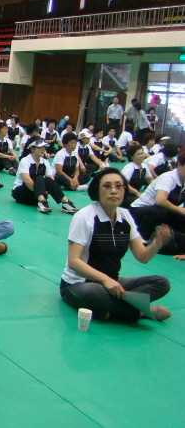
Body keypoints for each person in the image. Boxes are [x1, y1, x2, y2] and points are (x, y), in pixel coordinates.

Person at [60, 168, 172, 322]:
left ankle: (110, 309)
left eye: (119, 186)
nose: (114, 191)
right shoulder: (84, 217)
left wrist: (157, 243)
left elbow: (142, 256)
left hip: (113, 282)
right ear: (97, 191)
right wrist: (105, 280)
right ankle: (139, 312)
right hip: (79, 284)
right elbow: (74, 261)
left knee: (161, 283)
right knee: (95, 292)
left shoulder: (125, 216)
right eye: (107, 186)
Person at [130, 149, 185, 256]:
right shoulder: (169, 178)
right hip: (140, 211)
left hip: (161, 211)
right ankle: (142, 237)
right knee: (160, 211)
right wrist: (180, 210)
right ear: (179, 164)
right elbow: (160, 201)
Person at [11, 137, 79, 214]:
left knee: (51, 179)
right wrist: (42, 192)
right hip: (21, 193)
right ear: (32, 148)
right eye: (40, 147)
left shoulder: (45, 162)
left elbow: (51, 179)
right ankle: (41, 201)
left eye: (44, 147)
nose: (43, 149)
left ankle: (65, 203)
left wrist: (46, 191)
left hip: (36, 195)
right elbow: (27, 181)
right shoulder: (25, 161)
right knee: (39, 177)